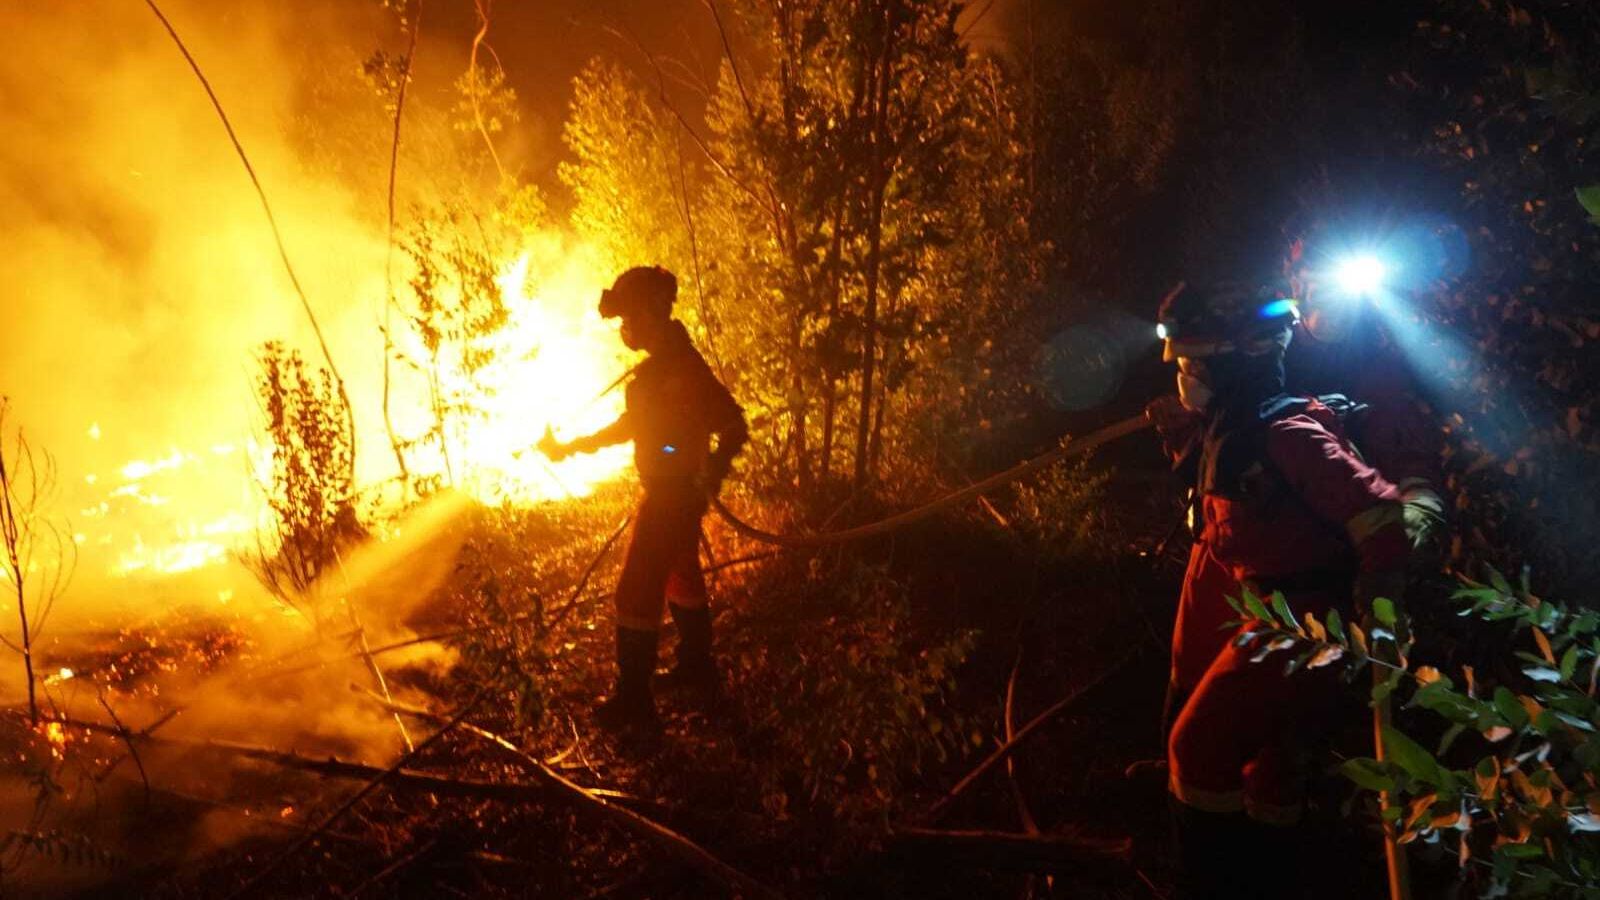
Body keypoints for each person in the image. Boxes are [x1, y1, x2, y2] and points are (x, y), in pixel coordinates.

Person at [1153, 280, 1412, 899]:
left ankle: (1208, 881)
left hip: (1305, 624)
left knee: (1199, 747)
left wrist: (1381, 597)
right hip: (1269, 612)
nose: (1185, 377)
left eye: (1193, 363)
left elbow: (1378, 511)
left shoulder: (1289, 432)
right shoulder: (1235, 428)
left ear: (1233, 360)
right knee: (1270, 766)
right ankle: (1267, 873)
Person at [540, 266, 748, 731]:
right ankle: (696, 665)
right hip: (672, 488)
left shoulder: (682, 368)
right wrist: (572, 447)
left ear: (651, 313)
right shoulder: (661, 367)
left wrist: (709, 468)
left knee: (636, 588)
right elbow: (635, 428)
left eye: (628, 317)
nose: (623, 329)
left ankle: (635, 700)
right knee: (680, 573)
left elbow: (732, 424)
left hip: (675, 493)